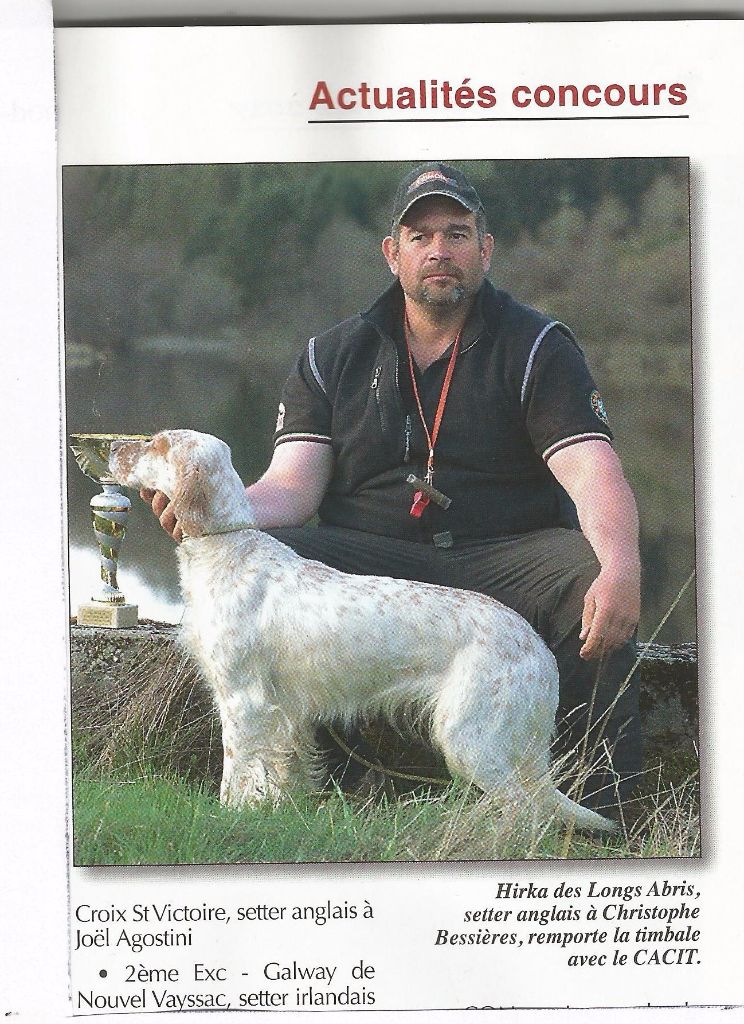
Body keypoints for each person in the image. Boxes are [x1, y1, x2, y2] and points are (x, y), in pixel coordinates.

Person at [144, 162, 642, 815]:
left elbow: (591, 470)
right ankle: (304, 783)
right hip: (371, 555)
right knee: (272, 552)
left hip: (504, 553)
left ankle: (599, 810)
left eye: (457, 234)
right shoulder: (331, 354)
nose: (439, 250)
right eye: (420, 235)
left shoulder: (539, 347)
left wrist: (624, 562)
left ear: (484, 250)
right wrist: (217, 514)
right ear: (392, 253)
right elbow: (292, 487)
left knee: (587, 576)